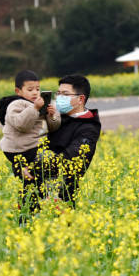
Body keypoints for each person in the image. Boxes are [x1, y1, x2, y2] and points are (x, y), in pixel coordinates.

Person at [31, 74, 101, 208]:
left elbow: (70, 160)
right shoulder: (56, 118)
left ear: (80, 99)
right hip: (35, 192)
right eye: (58, 93)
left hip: (61, 198)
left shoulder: (88, 127)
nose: (59, 98)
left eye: (65, 94)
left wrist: (30, 163)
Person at [0, 70, 61, 210]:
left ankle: (31, 205)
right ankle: (35, 205)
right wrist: (35, 108)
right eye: (30, 89)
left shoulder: (38, 105)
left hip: (30, 148)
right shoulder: (16, 105)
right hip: (17, 150)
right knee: (43, 166)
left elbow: (53, 127)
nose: (35, 93)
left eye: (38, 89)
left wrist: (52, 115)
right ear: (18, 91)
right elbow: (22, 124)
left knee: (33, 178)